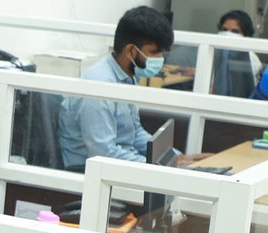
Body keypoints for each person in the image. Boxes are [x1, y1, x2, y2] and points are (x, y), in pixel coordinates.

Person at [58, 6, 210, 171]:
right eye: (154, 52)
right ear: (130, 51)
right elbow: (103, 153)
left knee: (195, 171)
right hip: (88, 171)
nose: (160, 59)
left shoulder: (128, 77)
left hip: (118, 163)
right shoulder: (99, 86)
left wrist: (173, 157)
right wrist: (156, 167)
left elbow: (135, 133)